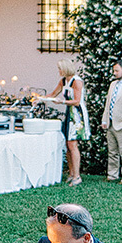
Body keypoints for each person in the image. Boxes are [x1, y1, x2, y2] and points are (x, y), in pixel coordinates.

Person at [41, 58, 89, 186]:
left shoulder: (76, 81)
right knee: (68, 144)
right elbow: (53, 94)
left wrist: (61, 101)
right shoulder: (63, 81)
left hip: (77, 114)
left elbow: (77, 101)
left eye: (60, 68)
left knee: (72, 144)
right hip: (69, 113)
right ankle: (71, 173)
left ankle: (77, 175)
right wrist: (40, 99)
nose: (59, 71)